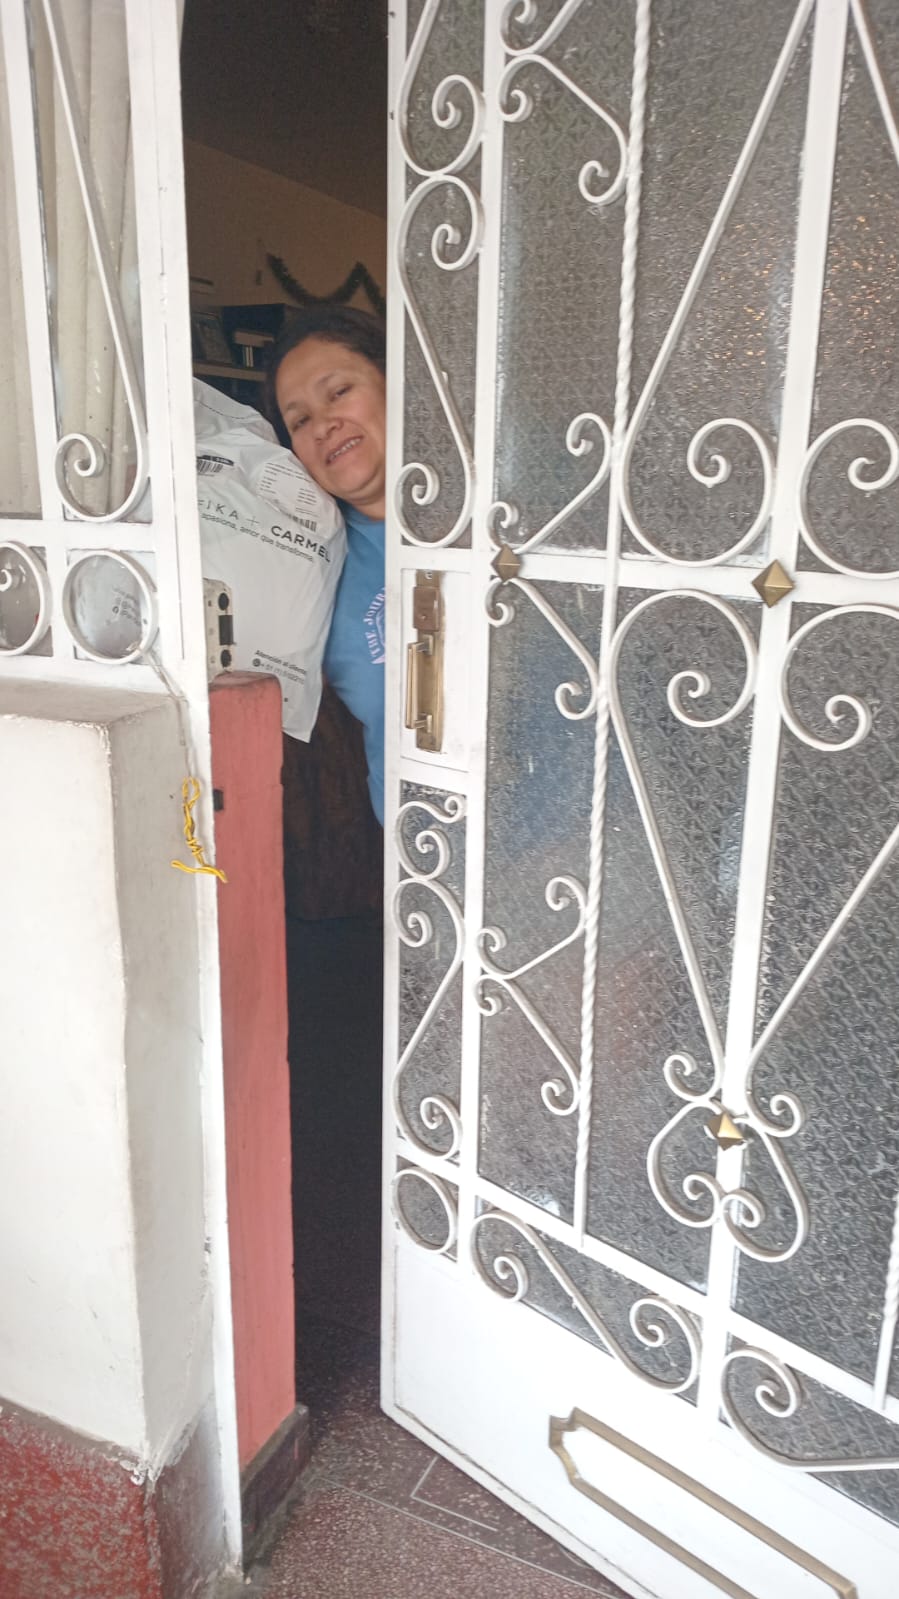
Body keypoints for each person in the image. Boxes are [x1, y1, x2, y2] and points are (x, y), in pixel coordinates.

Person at [267, 305, 386, 825]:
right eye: (300, 420)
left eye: (338, 392)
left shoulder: (501, 516)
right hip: (421, 849)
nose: (323, 426)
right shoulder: (308, 562)